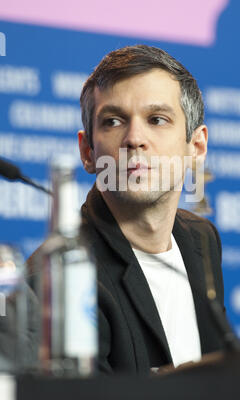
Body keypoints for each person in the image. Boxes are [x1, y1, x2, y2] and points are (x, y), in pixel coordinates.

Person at [77, 45, 225, 375]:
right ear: (88, 151)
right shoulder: (64, 274)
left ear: (196, 147)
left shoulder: (203, 238)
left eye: (157, 119)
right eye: (113, 121)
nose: (135, 139)